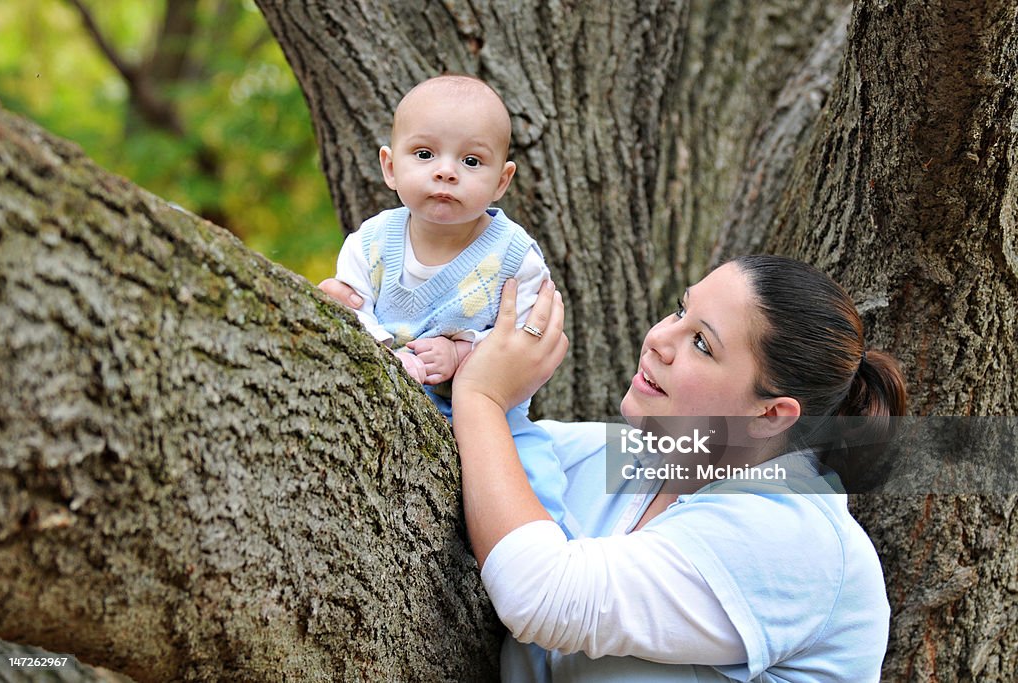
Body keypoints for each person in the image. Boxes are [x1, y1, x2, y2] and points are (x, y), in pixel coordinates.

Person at [442, 254, 907, 681]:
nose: (659, 340)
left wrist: (481, 397)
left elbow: (539, 595)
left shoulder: (797, 538)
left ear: (770, 415)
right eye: (680, 311)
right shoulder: (630, 459)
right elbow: (490, 448)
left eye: (702, 343)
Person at [319, 74, 576, 536]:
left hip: (493, 419)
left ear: (502, 180)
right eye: (424, 154)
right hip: (386, 396)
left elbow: (524, 340)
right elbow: (351, 310)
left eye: (471, 160)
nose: (446, 171)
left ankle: (551, 554)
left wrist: (462, 354)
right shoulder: (370, 245)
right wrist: (385, 353)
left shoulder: (514, 257)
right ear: (390, 166)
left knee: (535, 473)